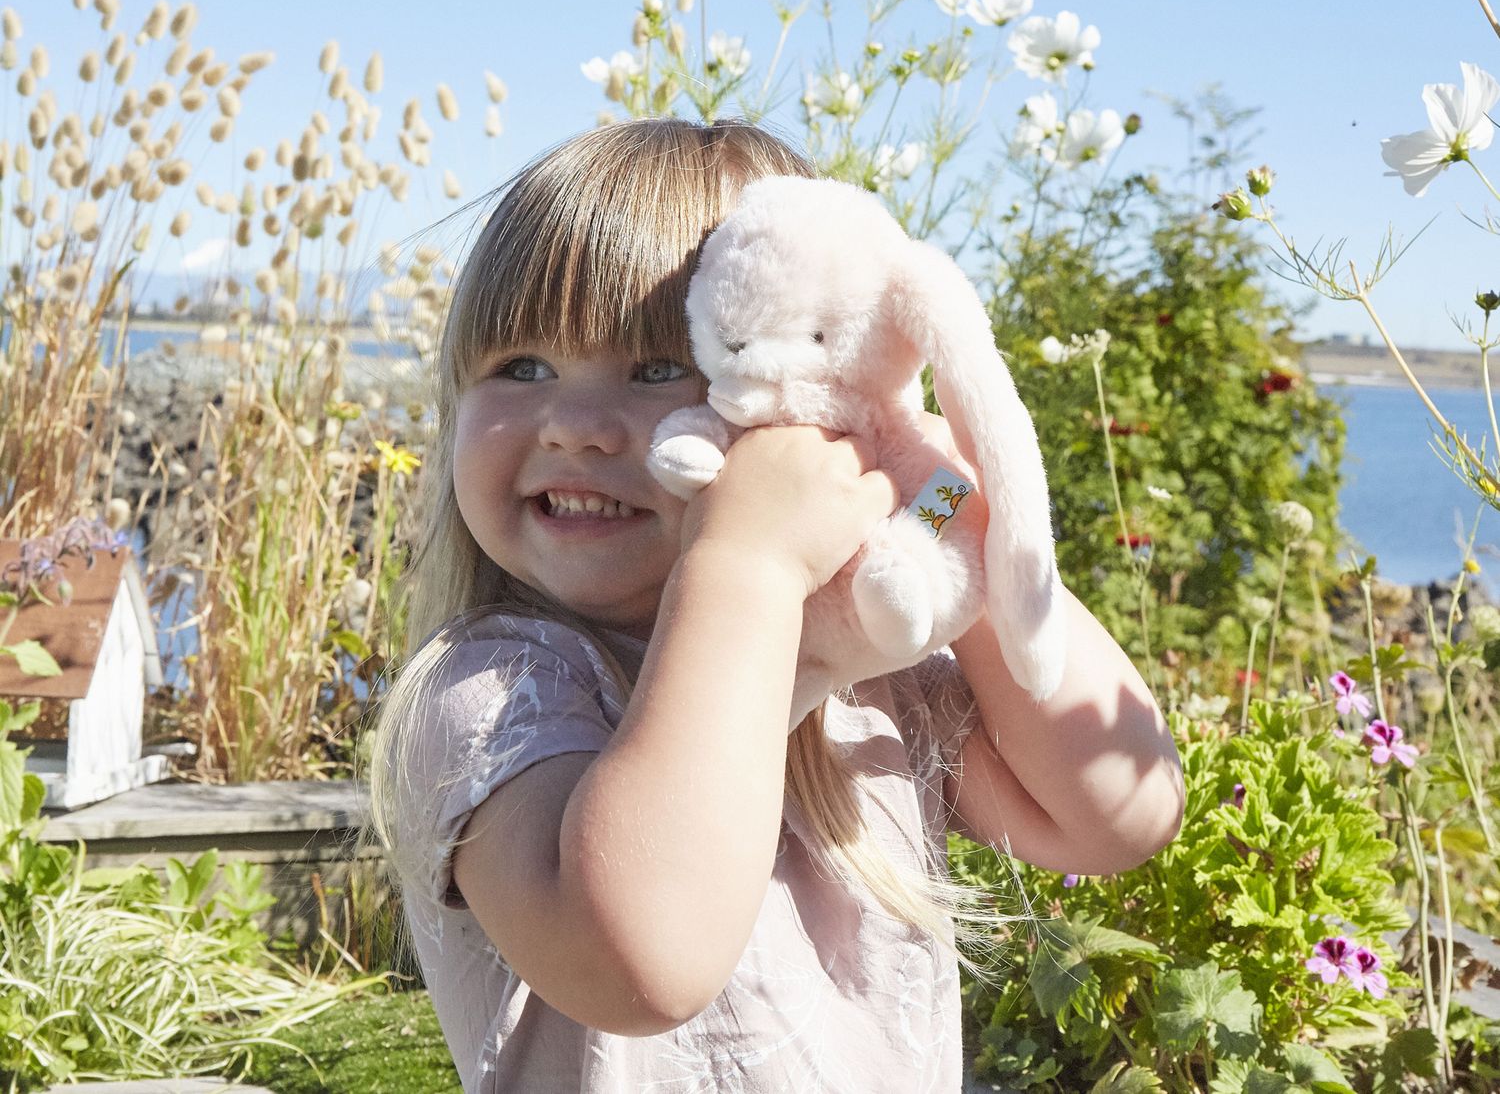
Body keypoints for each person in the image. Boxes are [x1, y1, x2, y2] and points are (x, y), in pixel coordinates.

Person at [362, 116, 1184, 1092]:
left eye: (660, 367)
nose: (575, 426)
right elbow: (646, 962)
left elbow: (1119, 812)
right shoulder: (494, 695)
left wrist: (947, 503)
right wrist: (743, 564)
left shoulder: (866, 681)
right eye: (521, 369)